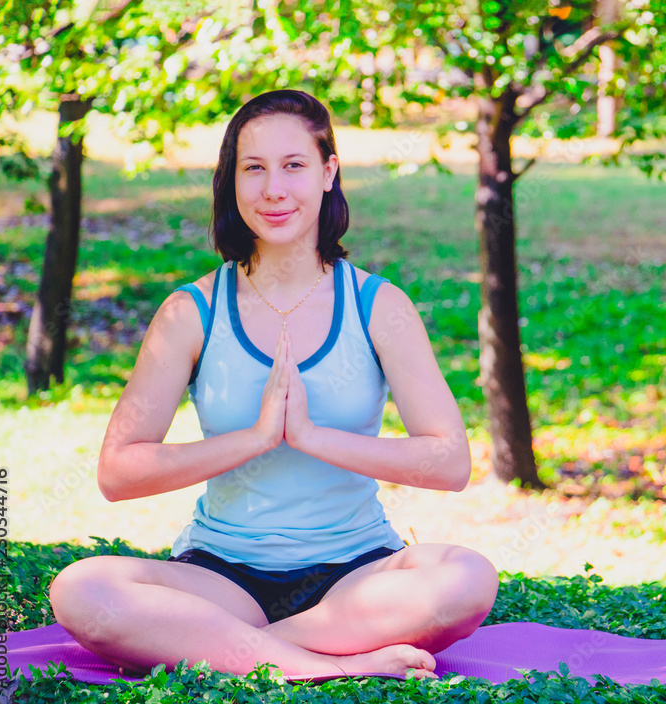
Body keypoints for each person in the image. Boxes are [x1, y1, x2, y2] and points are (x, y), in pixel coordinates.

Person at [48, 89, 499, 680]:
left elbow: (449, 462)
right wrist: (256, 437)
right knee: (82, 588)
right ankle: (324, 664)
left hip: (357, 577)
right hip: (222, 575)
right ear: (231, 181)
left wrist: (309, 435)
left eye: (294, 166)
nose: (273, 190)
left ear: (328, 172)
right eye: (253, 169)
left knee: (468, 578)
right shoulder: (192, 312)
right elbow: (118, 472)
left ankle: (242, 651)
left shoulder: (378, 307)